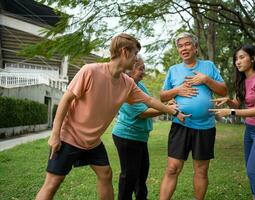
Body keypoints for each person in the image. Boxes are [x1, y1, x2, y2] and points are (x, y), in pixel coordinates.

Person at [35, 33, 189, 200]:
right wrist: (55, 134)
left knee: (105, 174)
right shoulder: (90, 71)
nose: (136, 59)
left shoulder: (127, 83)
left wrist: (174, 111)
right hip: (69, 137)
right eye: (135, 53)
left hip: (92, 142)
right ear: (125, 52)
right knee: (52, 183)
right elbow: (65, 100)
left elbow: (150, 101)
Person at [159, 32, 227, 200]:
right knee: (172, 168)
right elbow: (162, 96)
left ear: (195, 47)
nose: (184, 48)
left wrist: (206, 80)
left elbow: (224, 91)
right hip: (180, 124)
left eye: (187, 44)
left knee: (201, 170)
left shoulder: (208, 66)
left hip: (205, 126)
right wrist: (177, 90)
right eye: (180, 46)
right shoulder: (173, 70)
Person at [209, 44, 255, 200]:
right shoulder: (242, 81)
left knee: (253, 171)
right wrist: (228, 101)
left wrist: (230, 111)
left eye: (242, 57)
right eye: (236, 59)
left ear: (253, 58)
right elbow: (238, 104)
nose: (237, 62)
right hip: (249, 130)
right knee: (250, 170)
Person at [112, 55, 177, 200]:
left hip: (139, 137)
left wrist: (167, 104)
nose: (144, 72)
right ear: (130, 69)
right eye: (141, 69)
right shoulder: (124, 86)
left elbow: (151, 102)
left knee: (141, 174)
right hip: (127, 136)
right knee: (129, 175)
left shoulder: (139, 85)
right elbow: (142, 113)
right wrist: (167, 109)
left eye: (144, 69)